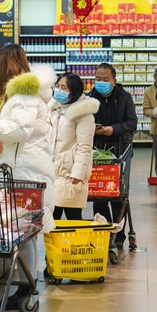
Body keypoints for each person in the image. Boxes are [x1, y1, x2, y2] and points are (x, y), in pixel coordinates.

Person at [0, 44, 55, 308]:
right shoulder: (20, 94)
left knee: (24, 231)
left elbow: (20, 131)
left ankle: (27, 288)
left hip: (26, 172)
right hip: (20, 169)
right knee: (23, 231)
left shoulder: (25, 95)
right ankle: (26, 286)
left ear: (8, 65)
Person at [90, 63, 138, 248]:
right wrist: (93, 128)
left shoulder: (124, 98)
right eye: (98, 79)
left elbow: (132, 123)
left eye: (105, 79)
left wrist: (113, 130)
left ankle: (118, 236)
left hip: (119, 151)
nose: (100, 83)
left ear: (114, 81)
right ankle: (104, 231)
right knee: (98, 194)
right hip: (97, 152)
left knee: (117, 195)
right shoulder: (90, 98)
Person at [48, 73, 99, 221]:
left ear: (74, 91)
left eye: (64, 87)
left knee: (73, 218)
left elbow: (85, 147)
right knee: (52, 217)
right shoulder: (56, 109)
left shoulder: (84, 114)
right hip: (54, 172)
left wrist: (78, 173)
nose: (58, 90)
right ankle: (55, 245)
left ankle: (74, 245)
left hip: (70, 174)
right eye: (57, 86)